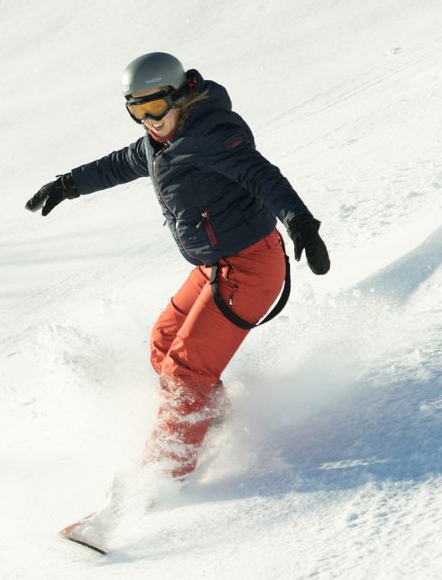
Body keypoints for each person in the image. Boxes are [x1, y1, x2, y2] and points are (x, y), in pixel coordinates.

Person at [26, 52, 330, 480]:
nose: (148, 119)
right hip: (214, 265)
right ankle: (211, 418)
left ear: (182, 94)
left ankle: (163, 475)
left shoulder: (212, 134)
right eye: (136, 109)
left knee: (184, 370)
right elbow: (117, 164)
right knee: (164, 342)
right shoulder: (158, 143)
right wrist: (68, 184)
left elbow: (263, 177)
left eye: (154, 106)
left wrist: (299, 222)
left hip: (250, 266)